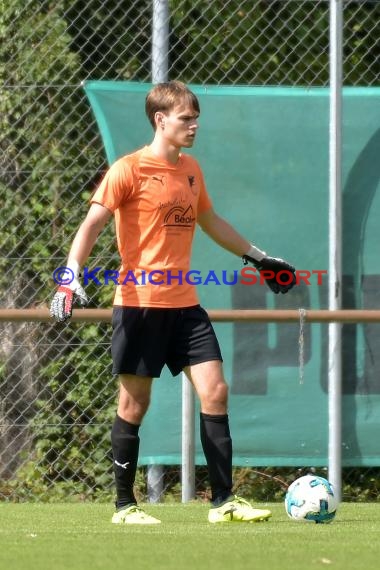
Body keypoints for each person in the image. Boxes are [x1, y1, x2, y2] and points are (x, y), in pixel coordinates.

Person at [50, 80, 296, 525]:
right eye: (186, 118)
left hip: (186, 307)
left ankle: (223, 503)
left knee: (216, 391)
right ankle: (125, 506)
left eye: (195, 117)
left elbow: (210, 220)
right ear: (161, 121)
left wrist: (259, 260)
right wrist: (68, 281)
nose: (194, 124)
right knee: (133, 406)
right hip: (139, 306)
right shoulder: (128, 169)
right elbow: (90, 226)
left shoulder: (192, 170)